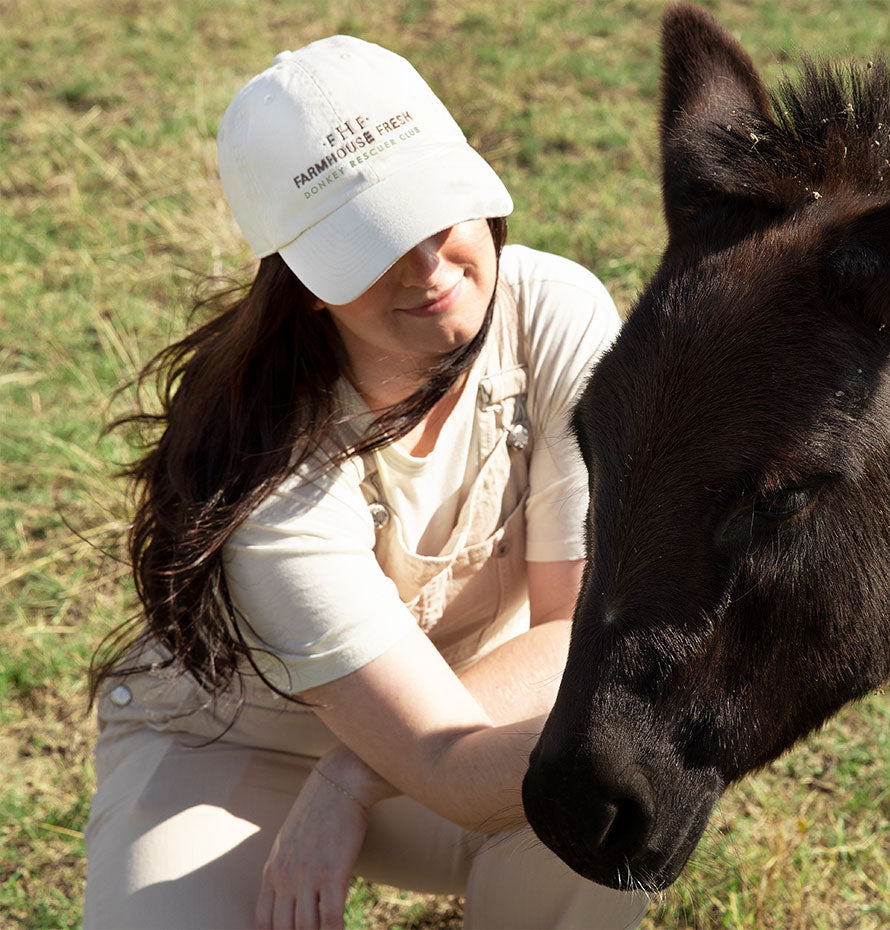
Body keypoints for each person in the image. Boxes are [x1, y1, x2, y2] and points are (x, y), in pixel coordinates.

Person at [83, 33, 650, 930]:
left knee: (598, 793)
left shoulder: (553, 312)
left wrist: (347, 781)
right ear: (304, 281)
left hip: (466, 707)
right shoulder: (267, 472)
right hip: (244, 745)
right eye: (373, 244)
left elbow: (583, 626)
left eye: (438, 214)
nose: (430, 269)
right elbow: (449, 772)